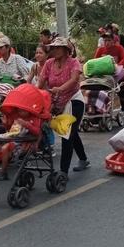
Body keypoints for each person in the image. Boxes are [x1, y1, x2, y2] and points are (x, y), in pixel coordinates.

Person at [38, 37, 89, 174]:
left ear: (66, 50)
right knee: (72, 132)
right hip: (56, 102)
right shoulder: (49, 63)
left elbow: (74, 80)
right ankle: (83, 159)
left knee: (67, 133)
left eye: (58, 47)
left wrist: (60, 89)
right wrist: (35, 95)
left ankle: (63, 172)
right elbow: (41, 83)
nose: (54, 50)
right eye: (53, 48)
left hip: (73, 100)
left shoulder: (73, 62)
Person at [0, 108, 41, 185]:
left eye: (23, 111)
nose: (20, 112)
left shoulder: (34, 118)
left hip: (23, 143)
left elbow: (37, 132)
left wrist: (26, 124)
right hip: (10, 139)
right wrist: (5, 124)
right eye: (19, 111)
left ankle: (3, 171)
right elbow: (10, 130)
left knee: (5, 147)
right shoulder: (16, 117)